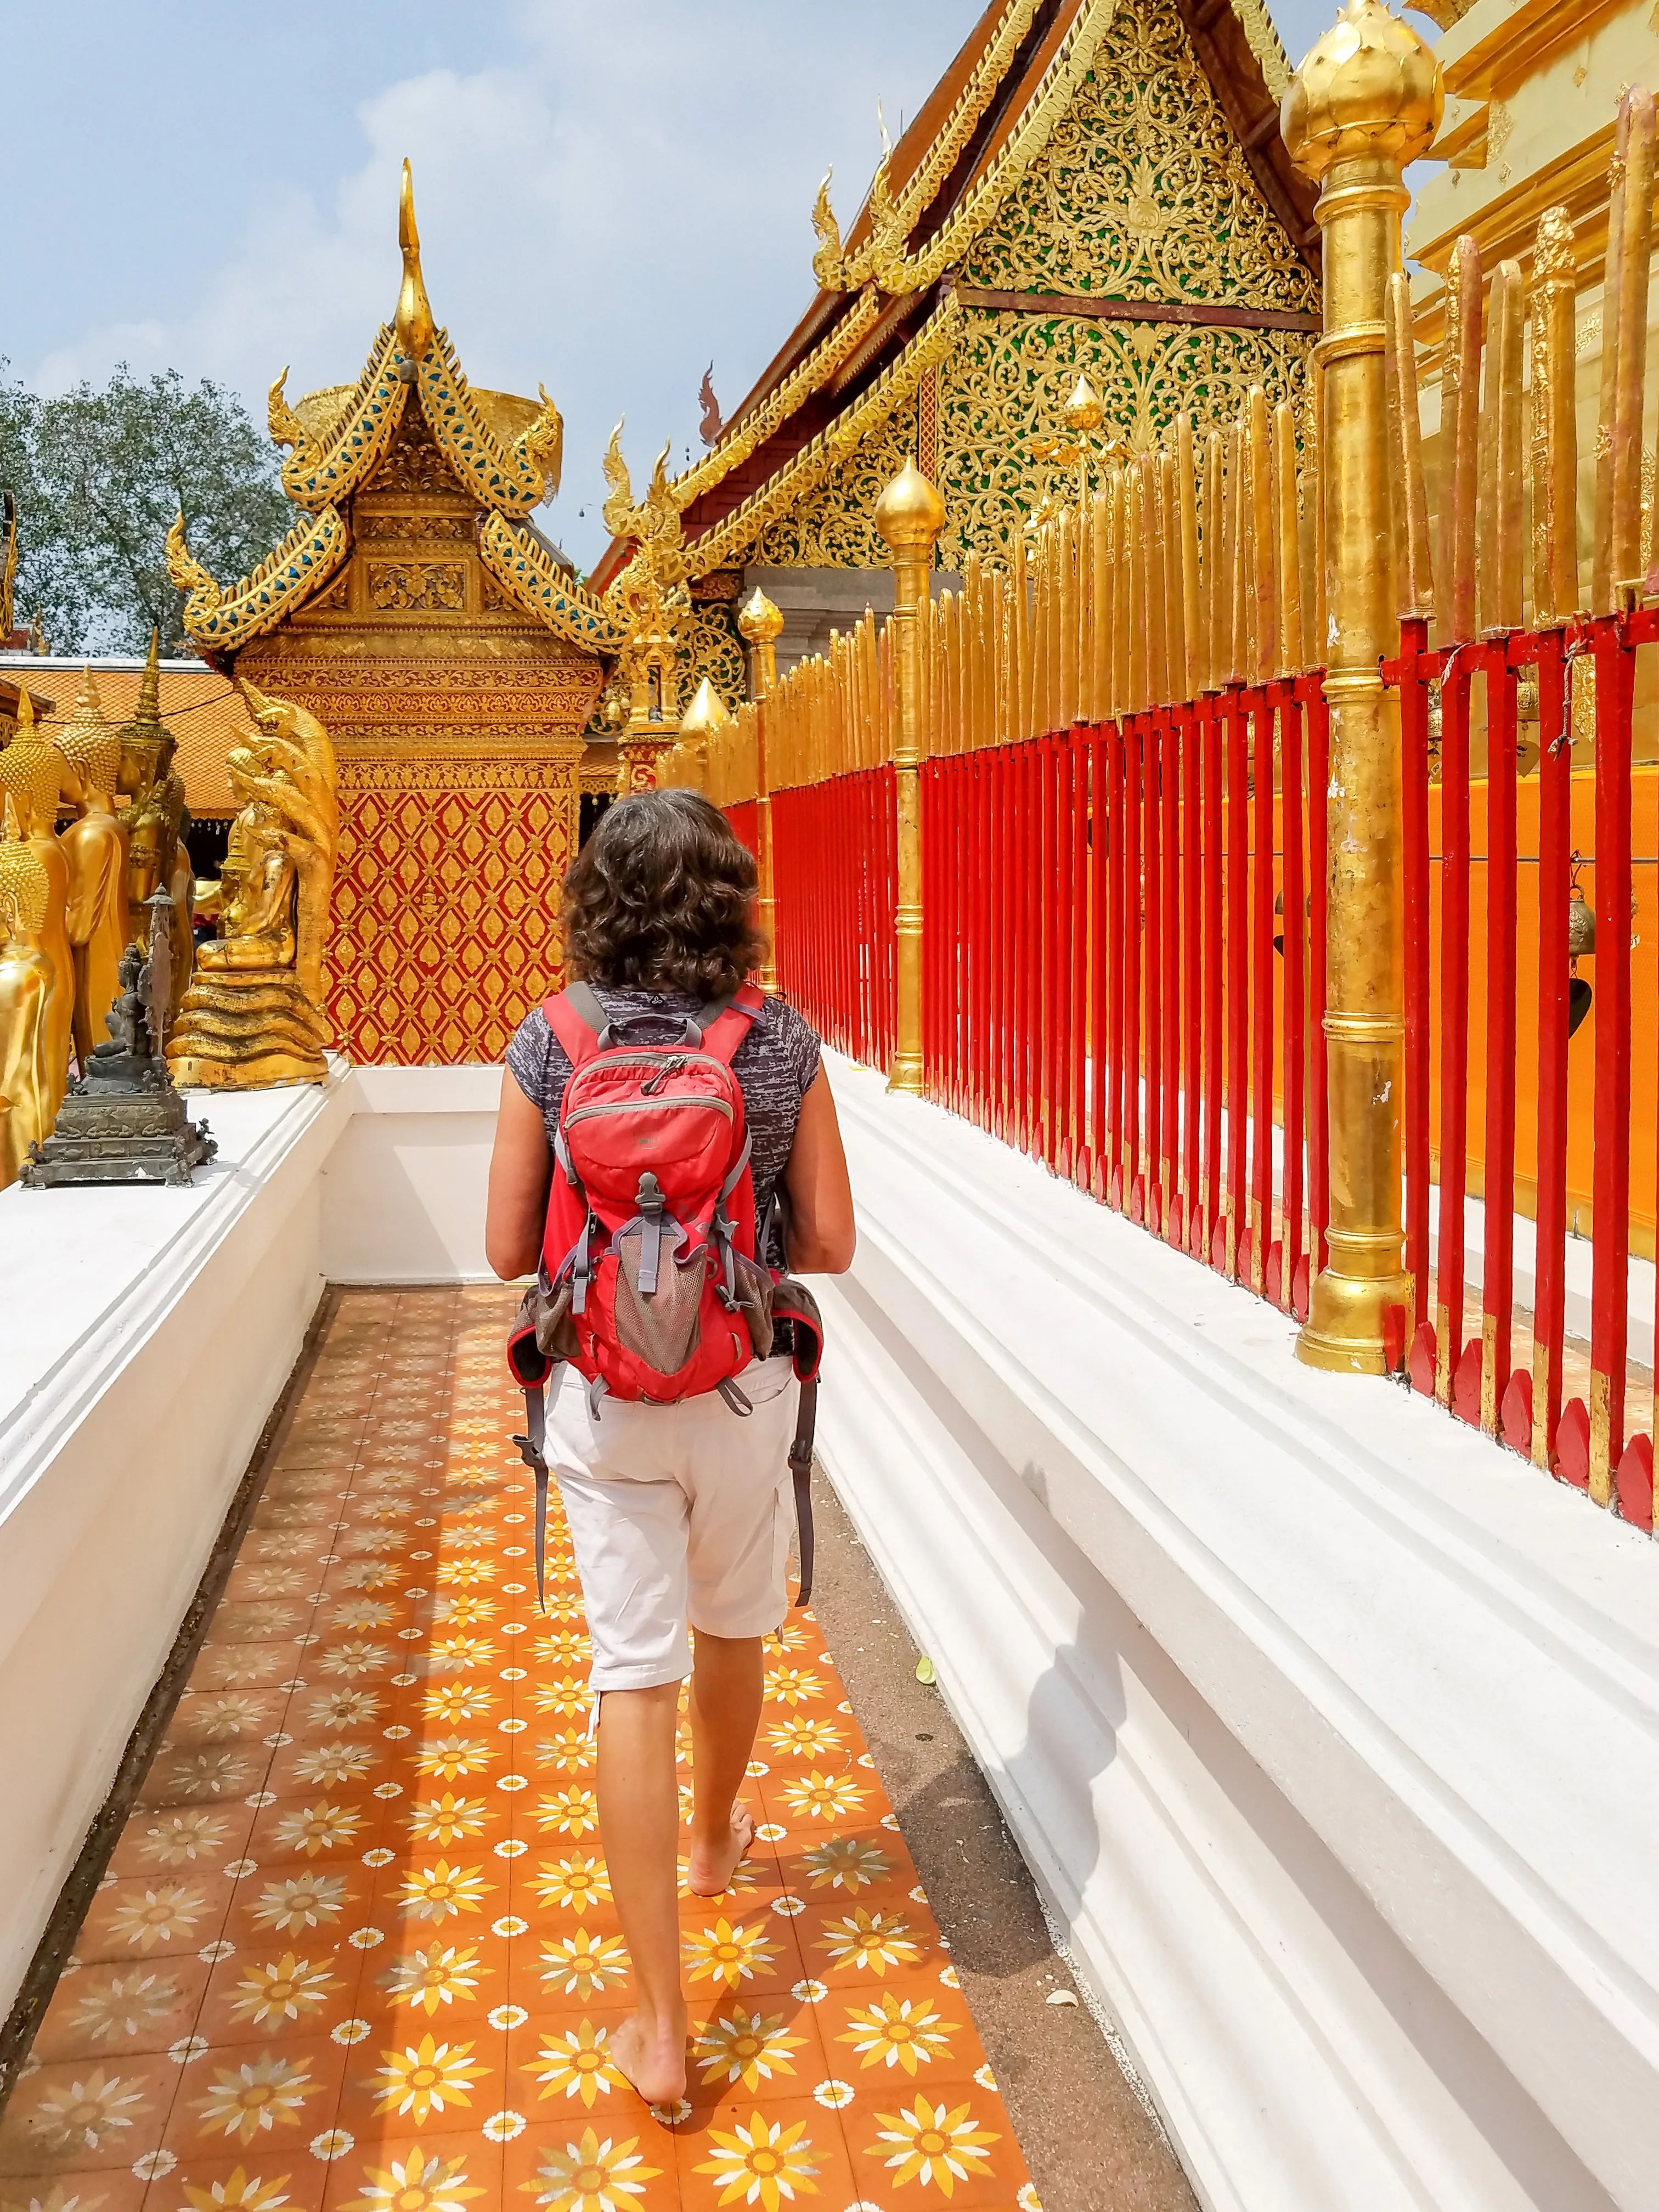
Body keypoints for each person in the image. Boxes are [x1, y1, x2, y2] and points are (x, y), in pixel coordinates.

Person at [484, 787, 855, 2109]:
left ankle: (658, 2027)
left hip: (603, 1397)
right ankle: (712, 1842)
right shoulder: (777, 1038)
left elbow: (503, 1246)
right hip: (741, 1390)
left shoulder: (551, 1038)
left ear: (598, 901)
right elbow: (831, 1241)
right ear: (727, 898)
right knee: (732, 1622)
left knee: (629, 1676)